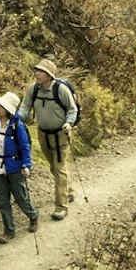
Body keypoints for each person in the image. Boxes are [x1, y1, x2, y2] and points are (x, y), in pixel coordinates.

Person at [0, 92, 39, 241]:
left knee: (21, 198)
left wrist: (26, 165)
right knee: (2, 200)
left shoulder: (18, 126)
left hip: (15, 167)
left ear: (8, 109)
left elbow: (24, 147)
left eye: (1, 106)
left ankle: (33, 216)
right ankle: (9, 231)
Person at [24, 60, 81, 218]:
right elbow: (25, 107)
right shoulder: (33, 89)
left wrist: (69, 123)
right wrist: (15, 120)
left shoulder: (61, 90)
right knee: (53, 167)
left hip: (61, 134)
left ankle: (61, 207)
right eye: (36, 70)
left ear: (49, 75)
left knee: (59, 168)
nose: (37, 74)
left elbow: (72, 109)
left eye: (41, 71)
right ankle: (68, 191)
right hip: (43, 134)